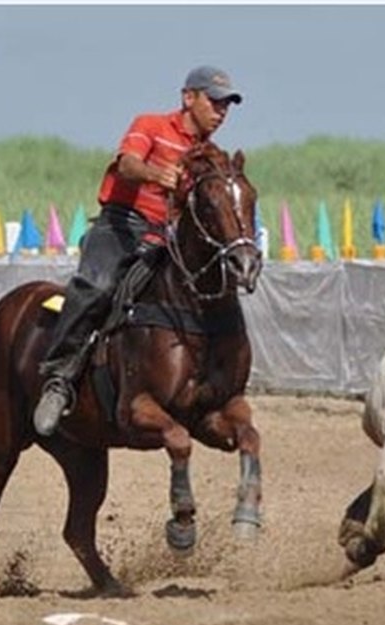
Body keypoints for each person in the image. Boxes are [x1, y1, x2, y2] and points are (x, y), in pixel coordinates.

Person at [32, 65, 244, 437]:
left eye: (226, 104)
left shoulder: (210, 154)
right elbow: (127, 164)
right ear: (188, 97)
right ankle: (59, 378)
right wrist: (155, 174)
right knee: (95, 287)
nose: (221, 111)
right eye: (214, 101)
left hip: (166, 236)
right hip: (121, 225)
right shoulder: (150, 125)